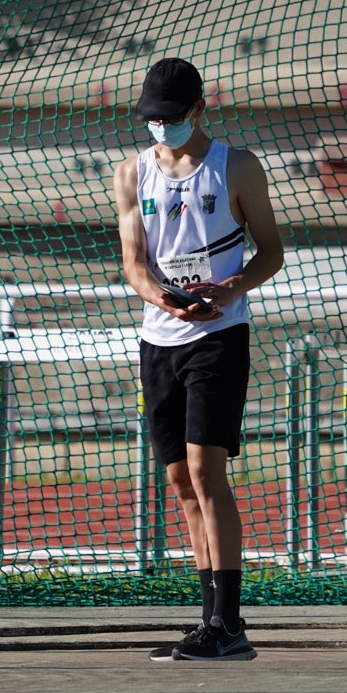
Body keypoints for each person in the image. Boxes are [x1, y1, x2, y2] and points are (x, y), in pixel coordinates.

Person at [112, 58, 284, 661]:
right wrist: (162, 298)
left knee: (207, 471)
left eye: (172, 116)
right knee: (179, 479)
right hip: (159, 339)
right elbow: (134, 262)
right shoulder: (131, 173)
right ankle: (208, 621)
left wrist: (232, 287)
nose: (161, 127)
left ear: (199, 109)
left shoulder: (236, 166)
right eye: (152, 118)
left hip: (219, 336)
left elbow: (271, 251)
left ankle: (229, 624)